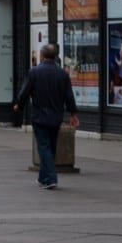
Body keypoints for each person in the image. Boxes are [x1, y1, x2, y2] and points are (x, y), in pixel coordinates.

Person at [13, 43, 79, 190]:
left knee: (43, 146)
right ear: (55, 57)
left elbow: (25, 92)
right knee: (51, 147)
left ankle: (50, 178)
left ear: (42, 56)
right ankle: (43, 177)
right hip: (56, 117)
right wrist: (73, 113)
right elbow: (69, 96)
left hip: (40, 116)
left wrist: (19, 105)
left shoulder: (34, 72)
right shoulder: (63, 74)